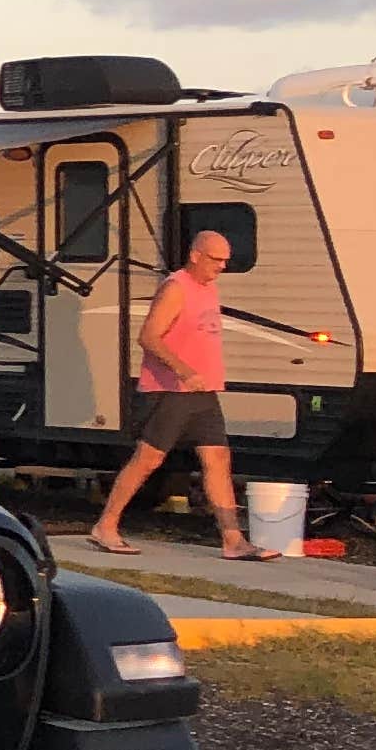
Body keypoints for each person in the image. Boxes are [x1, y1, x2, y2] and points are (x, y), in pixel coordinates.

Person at [90, 224, 266, 557]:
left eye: (225, 260)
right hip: (171, 389)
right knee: (149, 459)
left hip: (203, 392)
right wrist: (184, 370)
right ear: (195, 255)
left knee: (217, 459)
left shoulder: (208, 288)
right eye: (215, 259)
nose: (222, 266)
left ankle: (233, 540)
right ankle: (106, 525)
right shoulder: (176, 287)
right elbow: (149, 336)